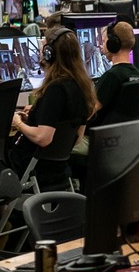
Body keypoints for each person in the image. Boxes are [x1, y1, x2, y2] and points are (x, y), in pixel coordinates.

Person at [8, 29, 98, 189]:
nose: (40, 51)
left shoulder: (56, 89)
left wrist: (18, 123)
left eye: (43, 47)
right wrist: (36, 117)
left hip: (31, 168)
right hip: (58, 170)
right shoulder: (82, 87)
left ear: (49, 54)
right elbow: (77, 137)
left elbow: (43, 138)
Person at [90, 22, 139, 124]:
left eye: (104, 41)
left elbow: (91, 110)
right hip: (125, 131)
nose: (102, 46)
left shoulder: (111, 76)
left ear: (112, 44)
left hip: (102, 132)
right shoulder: (138, 74)